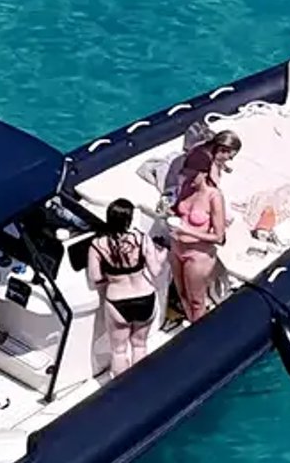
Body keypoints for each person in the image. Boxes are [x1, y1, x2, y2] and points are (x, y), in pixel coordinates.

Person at [87, 198, 165, 378]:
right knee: (140, 345)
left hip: (117, 301)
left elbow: (95, 278)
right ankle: (140, 382)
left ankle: (122, 388)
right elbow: (155, 270)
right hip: (145, 297)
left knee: (119, 351)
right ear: (128, 220)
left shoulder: (97, 245)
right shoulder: (141, 238)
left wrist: (112, 277)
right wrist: (161, 254)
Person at [169, 149, 227, 325]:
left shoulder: (214, 197)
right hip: (177, 248)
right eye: (187, 174)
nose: (189, 179)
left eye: (193, 175)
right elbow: (178, 211)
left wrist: (186, 230)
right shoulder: (187, 187)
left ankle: (197, 333)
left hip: (198, 255)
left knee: (196, 300)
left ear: (203, 173)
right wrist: (168, 210)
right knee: (182, 294)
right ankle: (190, 323)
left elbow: (219, 236)